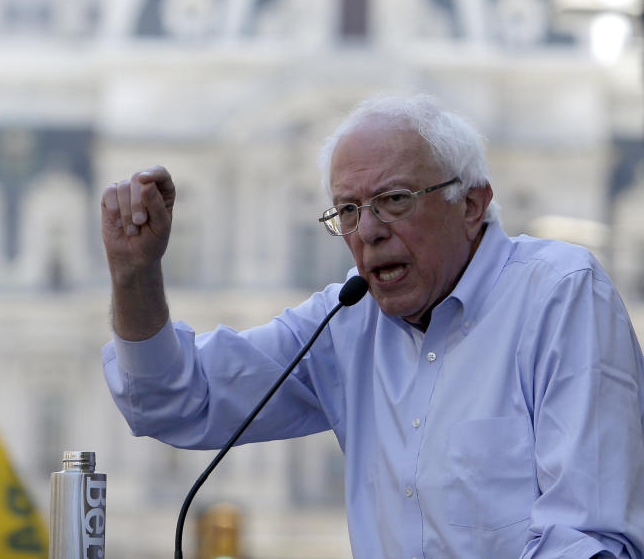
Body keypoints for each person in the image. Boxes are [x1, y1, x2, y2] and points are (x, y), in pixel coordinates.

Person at [100, 94, 644, 558]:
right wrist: (135, 274)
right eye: (349, 211)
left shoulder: (560, 294)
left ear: (472, 203)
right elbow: (174, 399)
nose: (369, 231)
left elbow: (586, 536)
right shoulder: (347, 319)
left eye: (394, 200)